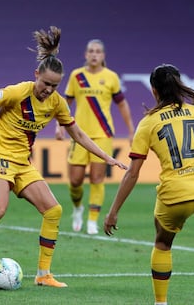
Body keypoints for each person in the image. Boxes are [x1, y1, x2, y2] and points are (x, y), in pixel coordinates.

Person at [0, 26, 127, 288]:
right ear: (36, 76)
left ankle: (43, 274)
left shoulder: (56, 103)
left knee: (53, 210)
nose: (48, 90)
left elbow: (77, 133)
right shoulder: (18, 91)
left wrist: (106, 157)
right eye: (45, 84)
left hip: (21, 162)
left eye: (54, 86)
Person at [103, 64, 194, 305]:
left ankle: (161, 302)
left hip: (175, 192)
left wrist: (113, 212)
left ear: (154, 90)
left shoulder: (148, 122)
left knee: (163, 242)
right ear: (179, 84)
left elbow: (133, 174)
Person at [55, 39, 135, 235]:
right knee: (75, 181)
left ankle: (92, 219)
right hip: (79, 135)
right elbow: (65, 103)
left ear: (103, 56)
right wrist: (60, 125)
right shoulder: (77, 76)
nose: (94, 54)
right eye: (91, 51)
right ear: (85, 54)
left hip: (103, 134)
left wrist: (131, 130)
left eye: (98, 51)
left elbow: (122, 104)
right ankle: (78, 208)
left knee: (98, 178)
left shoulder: (111, 77)